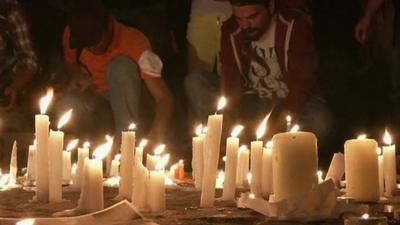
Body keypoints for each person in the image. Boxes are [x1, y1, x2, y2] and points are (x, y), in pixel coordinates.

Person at [185, 0, 333, 152]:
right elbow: (231, 81)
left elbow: (302, 83)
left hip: (287, 104)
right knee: (196, 81)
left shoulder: (294, 25)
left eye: (252, 17)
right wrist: (228, 120)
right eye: (239, 18)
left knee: (321, 120)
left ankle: (280, 153)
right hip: (252, 103)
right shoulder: (231, 30)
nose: (245, 25)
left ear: (270, 6)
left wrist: (280, 123)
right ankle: (241, 148)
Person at [58, 0, 173, 144]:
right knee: (67, 104)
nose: (91, 49)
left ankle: (126, 142)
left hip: (134, 104)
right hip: (101, 102)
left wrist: (156, 134)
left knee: (120, 67)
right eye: (85, 45)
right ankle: (90, 149)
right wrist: (78, 77)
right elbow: (71, 63)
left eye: (95, 42)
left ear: (108, 25)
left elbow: (164, 98)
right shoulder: (73, 33)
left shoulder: (133, 42)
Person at [0, 0, 39, 131]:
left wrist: (15, 87)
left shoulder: (9, 11)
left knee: (14, 128)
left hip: (4, 84)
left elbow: (28, 59)